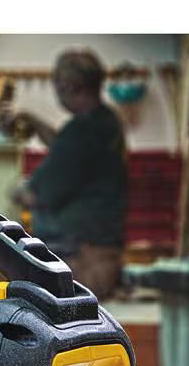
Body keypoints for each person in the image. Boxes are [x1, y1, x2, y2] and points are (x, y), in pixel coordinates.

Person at [7, 49, 128, 301]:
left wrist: (16, 190)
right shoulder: (106, 121)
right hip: (101, 250)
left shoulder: (81, 131)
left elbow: (37, 195)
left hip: (80, 260)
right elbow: (67, 146)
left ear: (71, 86)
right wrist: (35, 122)